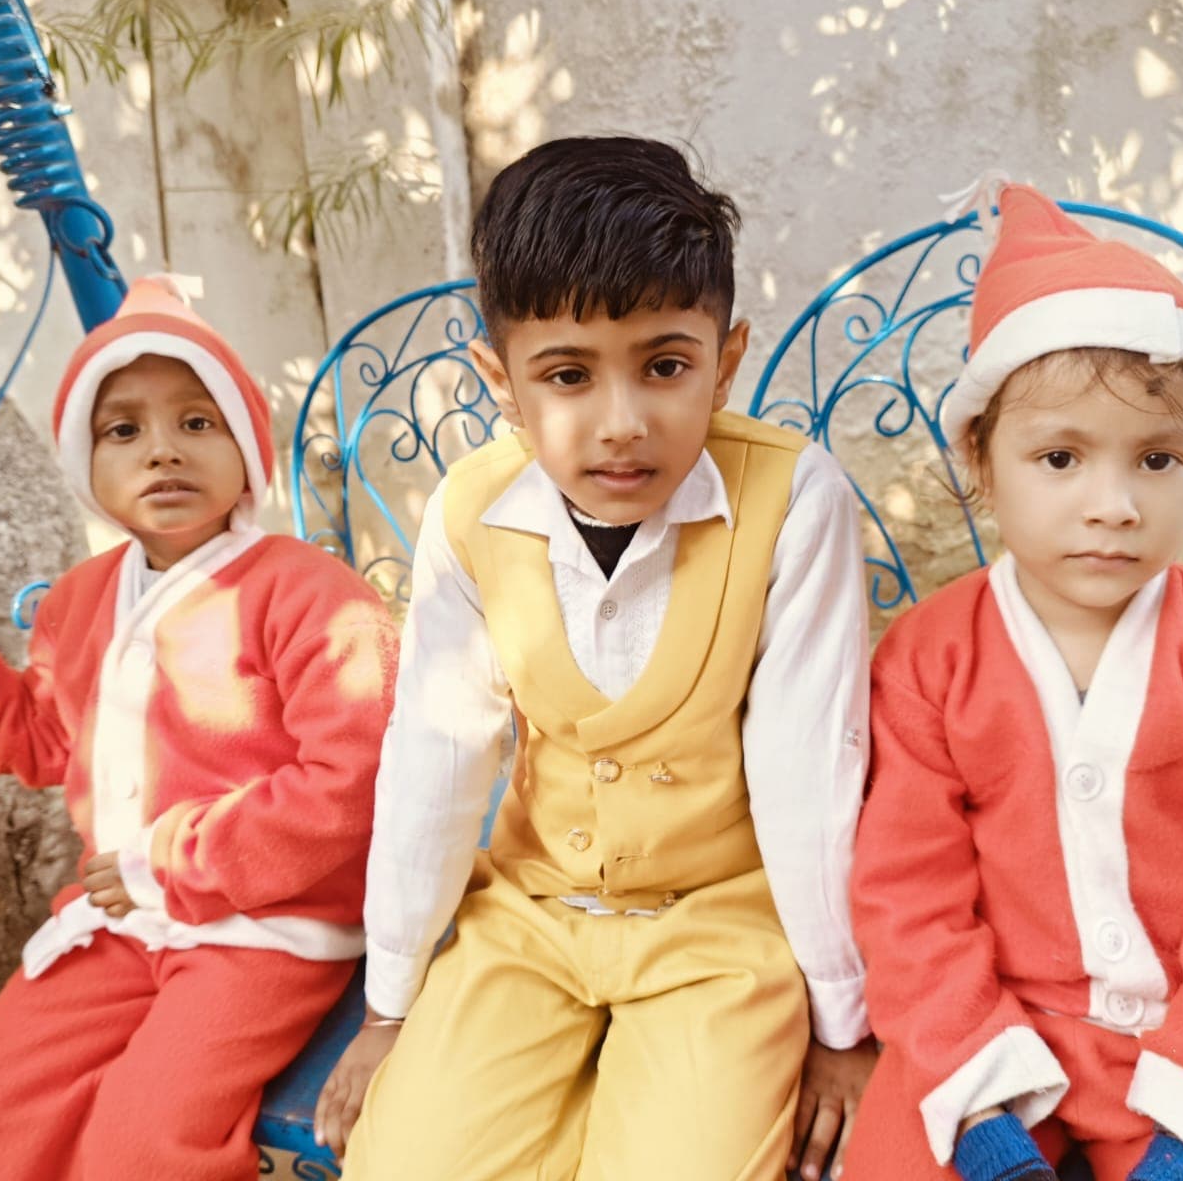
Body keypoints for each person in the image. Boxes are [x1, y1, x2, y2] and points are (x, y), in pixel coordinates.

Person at [313, 136, 877, 1180]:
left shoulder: (795, 500)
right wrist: (390, 1007)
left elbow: (810, 770)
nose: (623, 425)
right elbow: (437, 760)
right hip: (528, 919)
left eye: (665, 365)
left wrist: (843, 1025)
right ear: (502, 380)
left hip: (719, 931)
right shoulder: (474, 510)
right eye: (567, 374)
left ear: (726, 359)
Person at [841, 181, 1183, 1181]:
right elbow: (906, 902)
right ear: (982, 467)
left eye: (1157, 459)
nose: (1112, 505)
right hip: (989, 1035)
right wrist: (985, 1121)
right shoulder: (927, 662)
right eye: (1060, 457)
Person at [0, 276, 400, 1180]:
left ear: (246, 448)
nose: (163, 452)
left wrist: (176, 855)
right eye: (125, 430)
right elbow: (46, 740)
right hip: (116, 922)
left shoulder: (309, 594)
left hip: (262, 929)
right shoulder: (81, 600)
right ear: (89, 467)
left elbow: (353, 779)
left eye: (198, 423)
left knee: (144, 1145)